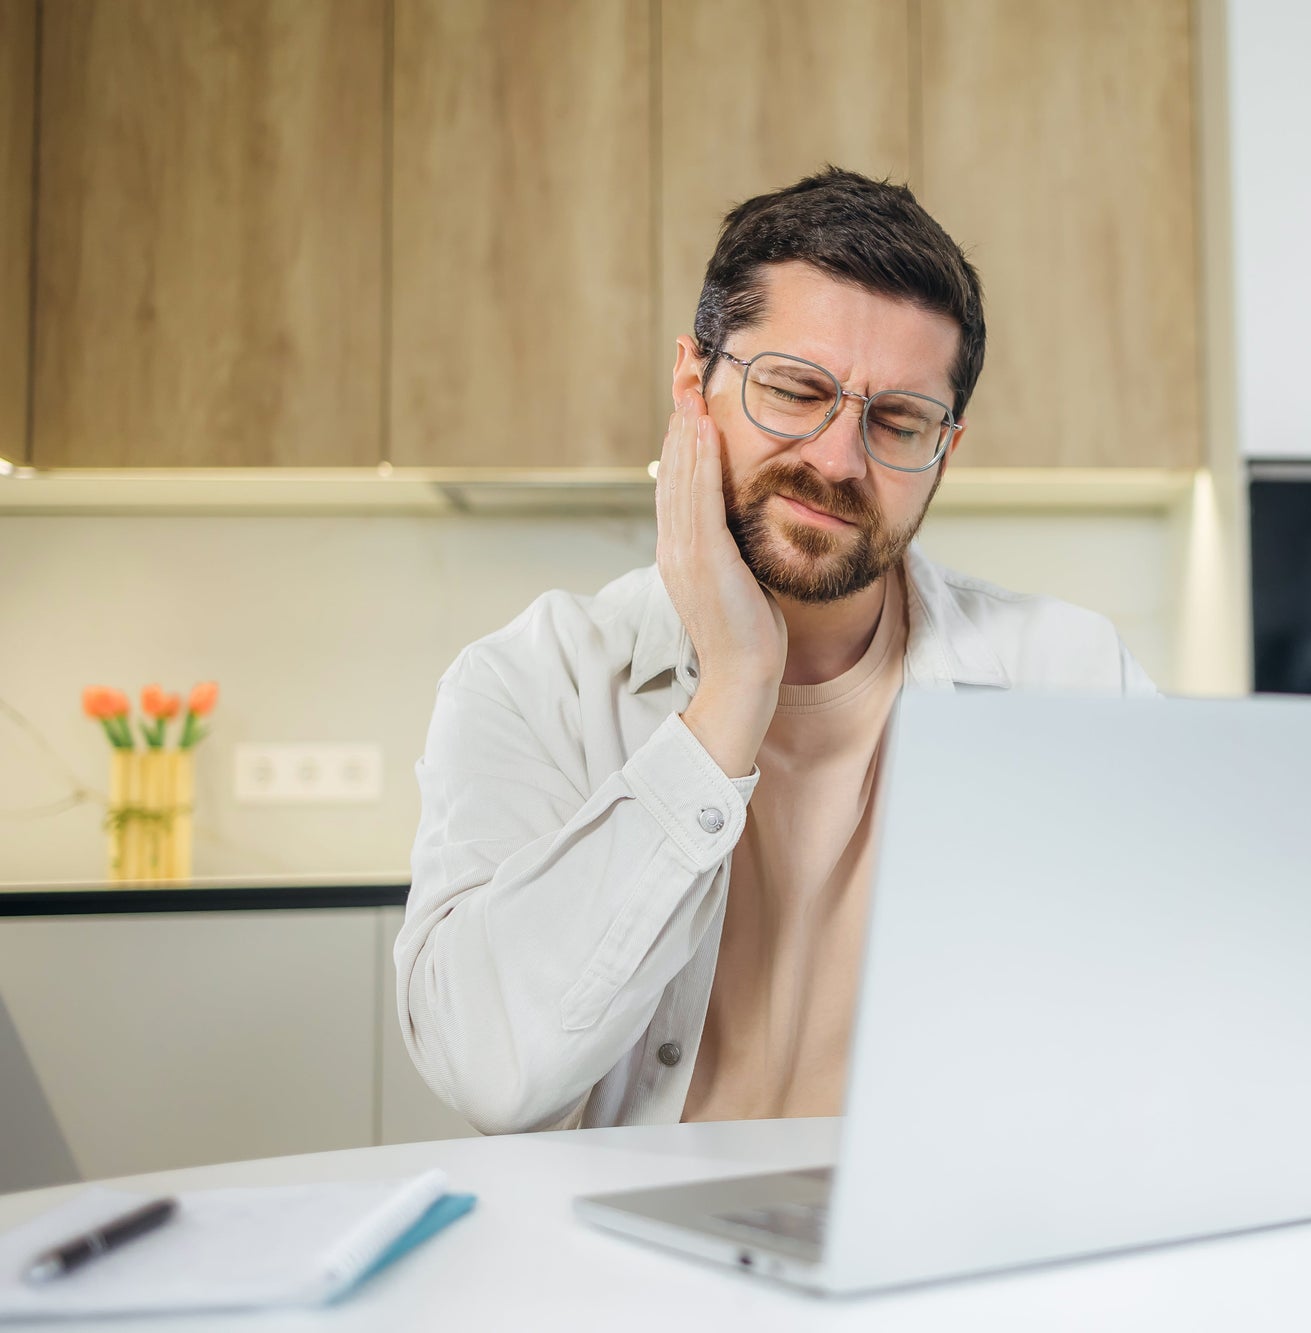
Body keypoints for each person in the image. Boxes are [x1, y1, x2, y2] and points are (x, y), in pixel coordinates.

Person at [396, 168, 1156, 1134]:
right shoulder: (528, 681)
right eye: (796, 391)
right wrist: (733, 691)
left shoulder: (1077, 679)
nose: (840, 460)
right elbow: (489, 1070)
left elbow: (1159, 1031)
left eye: (898, 422)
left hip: (933, 1252)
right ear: (691, 385)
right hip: (617, 1270)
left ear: (945, 451)